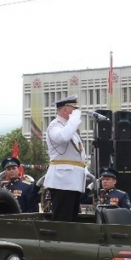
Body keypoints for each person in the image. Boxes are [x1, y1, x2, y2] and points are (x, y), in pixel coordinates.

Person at [44, 94, 87, 222]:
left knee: (72, 218)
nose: (76, 113)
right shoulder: (55, 126)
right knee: (63, 218)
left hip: (73, 180)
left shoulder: (69, 128)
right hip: (62, 180)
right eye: (74, 109)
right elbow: (62, 137)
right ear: (65, 110)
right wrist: (74, 120)